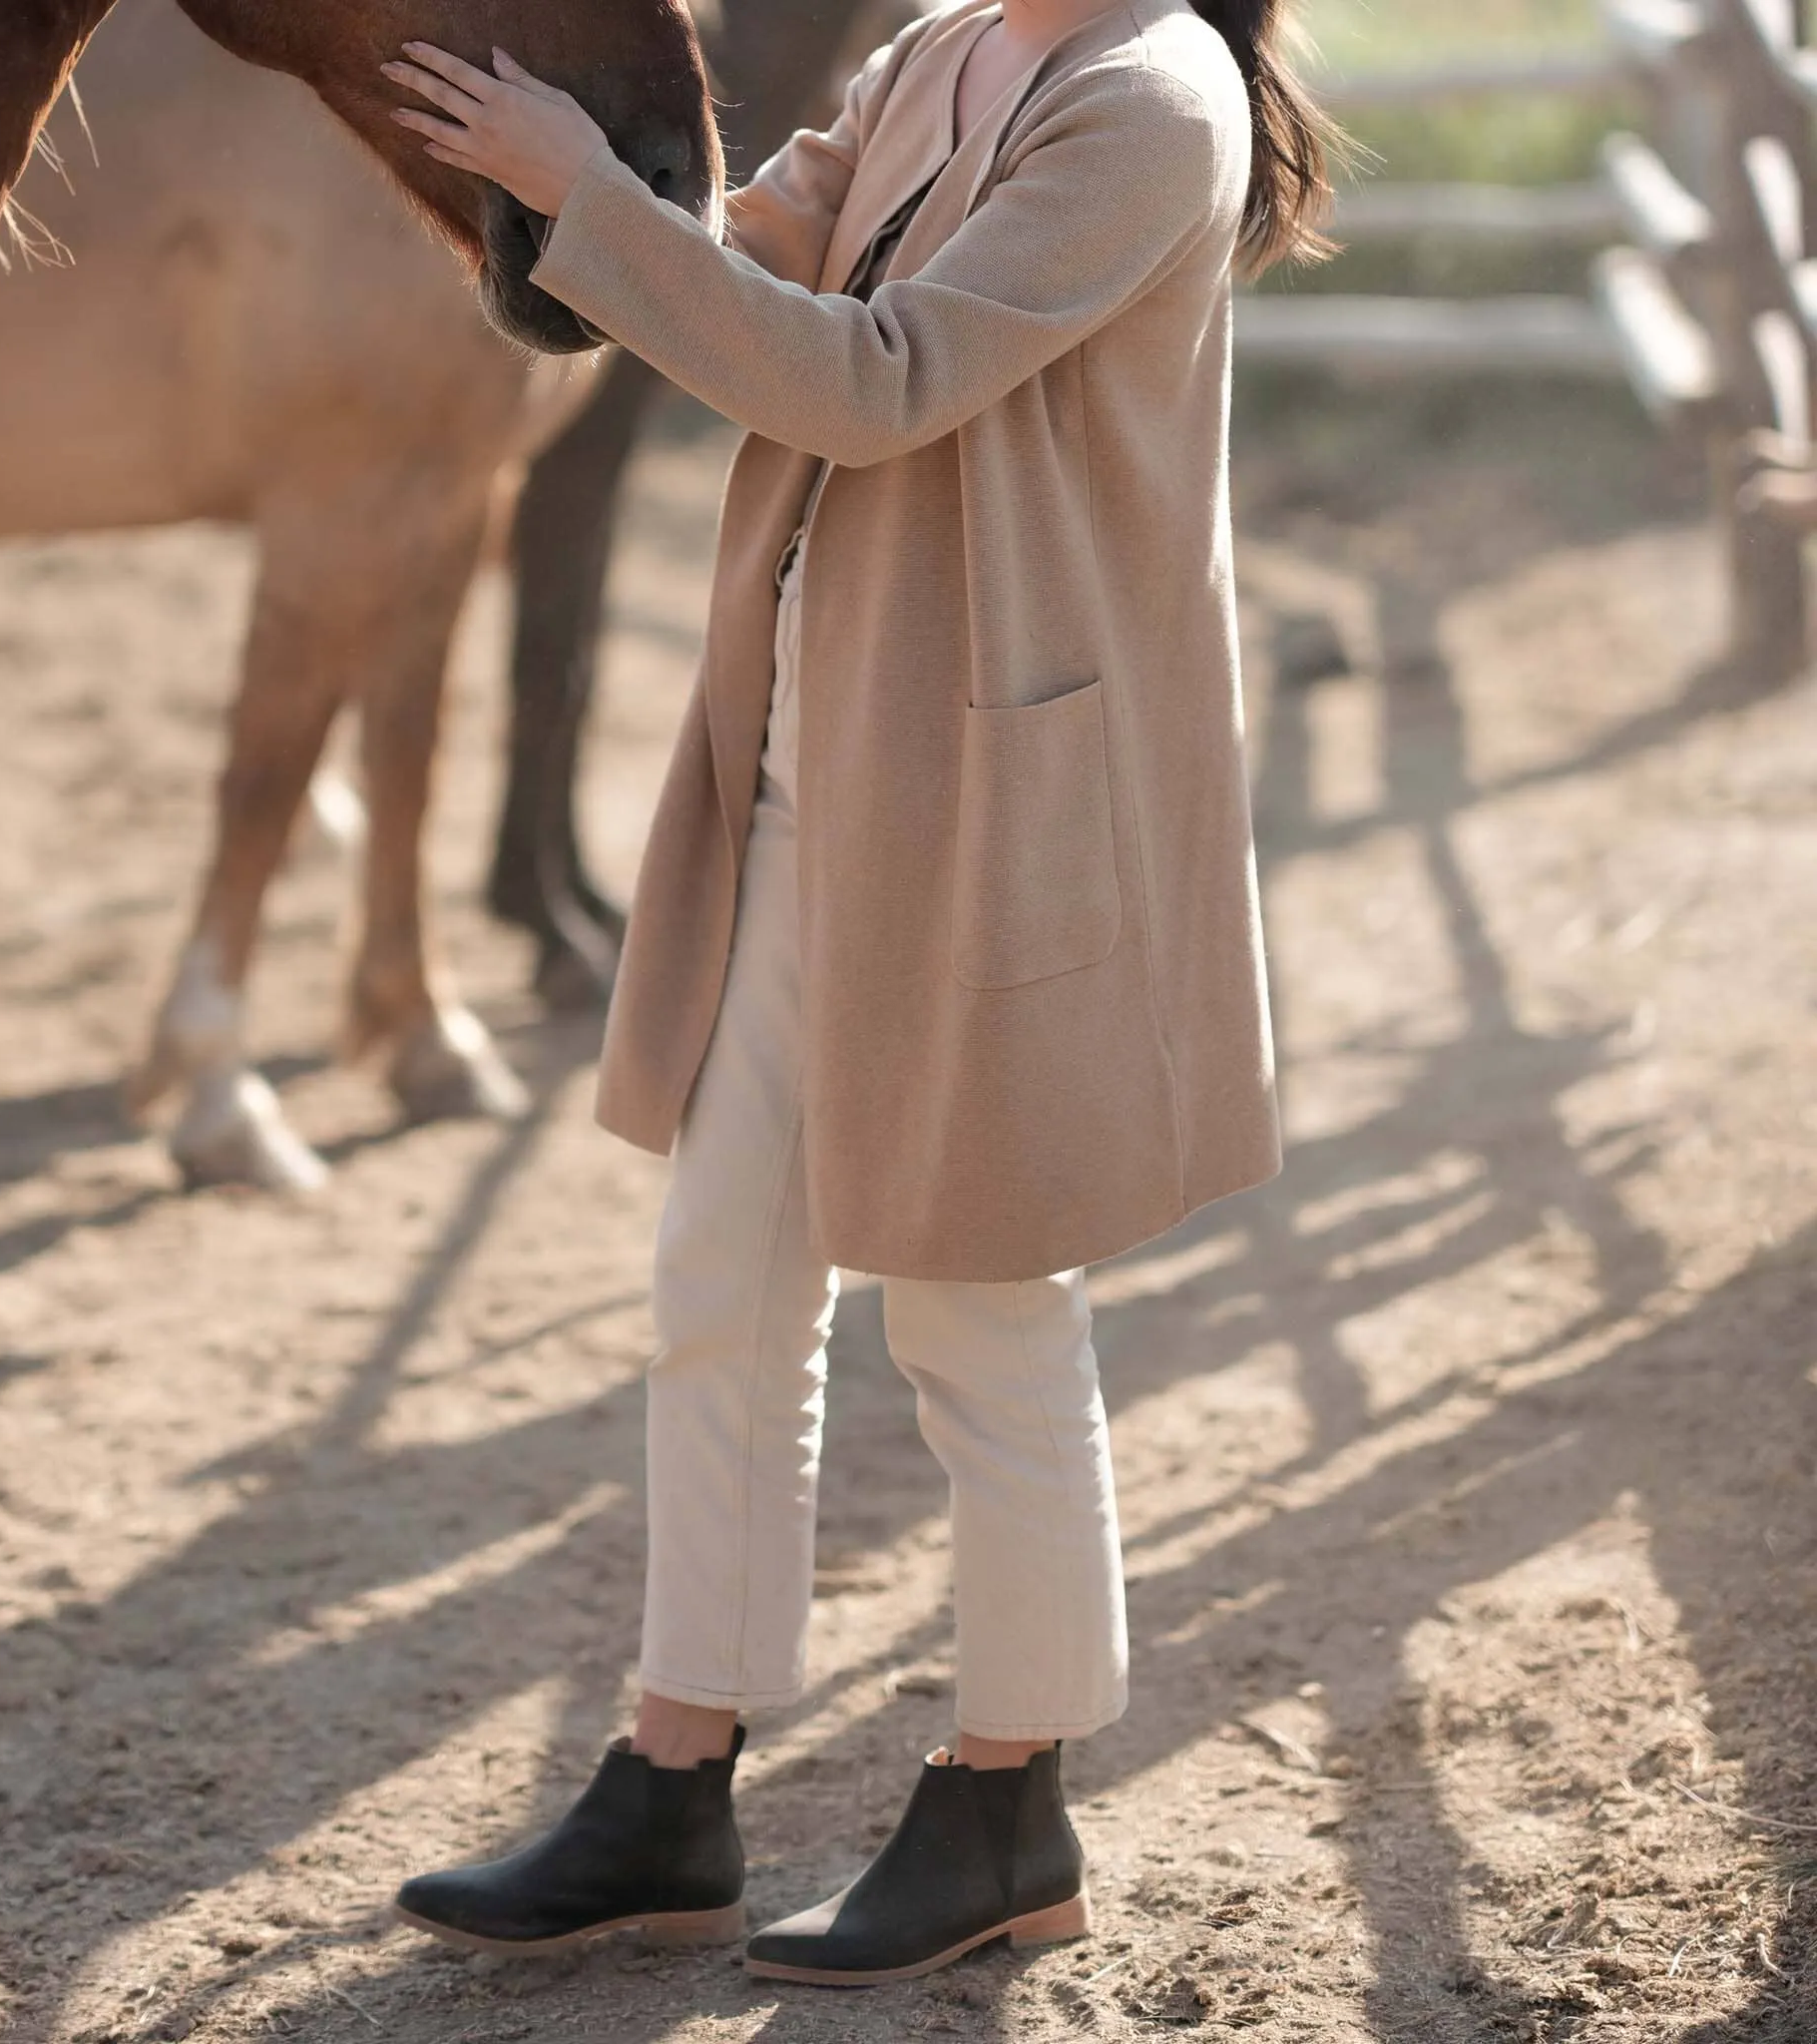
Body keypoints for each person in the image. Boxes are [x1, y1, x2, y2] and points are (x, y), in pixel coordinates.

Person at [378, 0, 1338, 1988]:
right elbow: (748, 261)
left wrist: (582, 195)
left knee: (982, 1311)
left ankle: (1009, 1798)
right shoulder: (937, 52)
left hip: (996, 799)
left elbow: (877, 383)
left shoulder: (1151, 104)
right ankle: (671, 1781)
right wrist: (552, 187)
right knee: (718, 1287)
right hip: (813, 781)